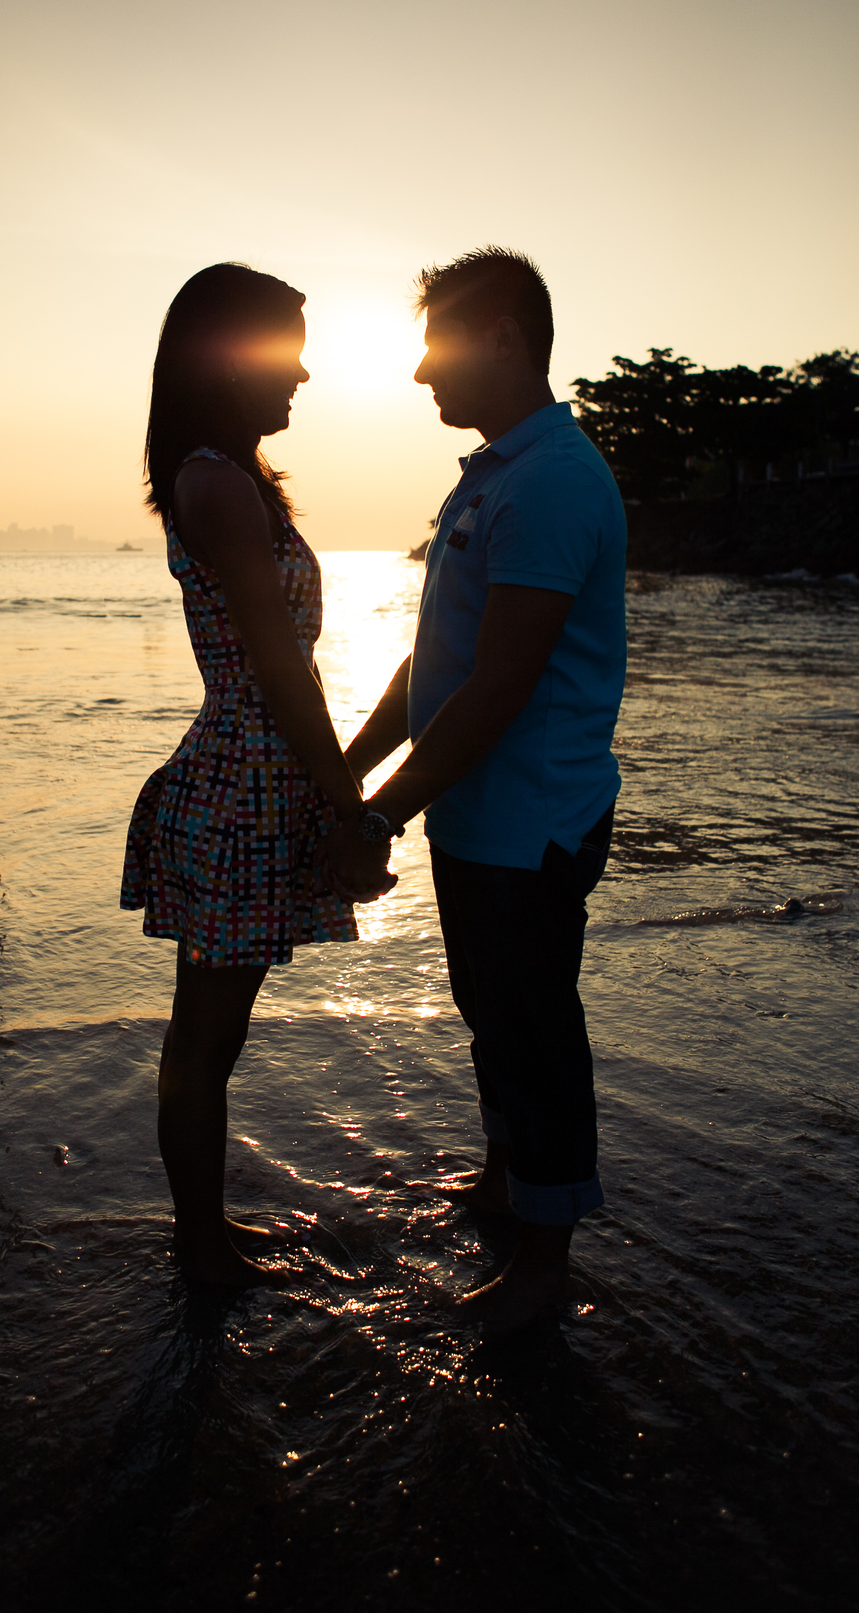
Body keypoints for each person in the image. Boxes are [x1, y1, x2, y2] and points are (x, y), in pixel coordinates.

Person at [328, 246, 627, 1336]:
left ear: (503, 334)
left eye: (438, 345)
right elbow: (434, 663)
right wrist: (352, 769)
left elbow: (501, 687)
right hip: (479, 814)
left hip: (531, 814)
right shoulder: (497, 474)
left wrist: (376, 814)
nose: (419, 374)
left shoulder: (550, 480)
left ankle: (544, 1266)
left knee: (534, 1026)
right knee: (494, 1011)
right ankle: (511, 1180)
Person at [121, 263, 393, 1287]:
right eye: (287, 348)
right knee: (205, 1038)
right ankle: (199, 1248)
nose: (305, 373)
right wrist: (348, 805)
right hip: (241, 788)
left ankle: (206, 1235)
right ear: (230, 358)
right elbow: (279, 669)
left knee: (212, 1033)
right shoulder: (216, 482)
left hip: (247, 778)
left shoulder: (226, 479)